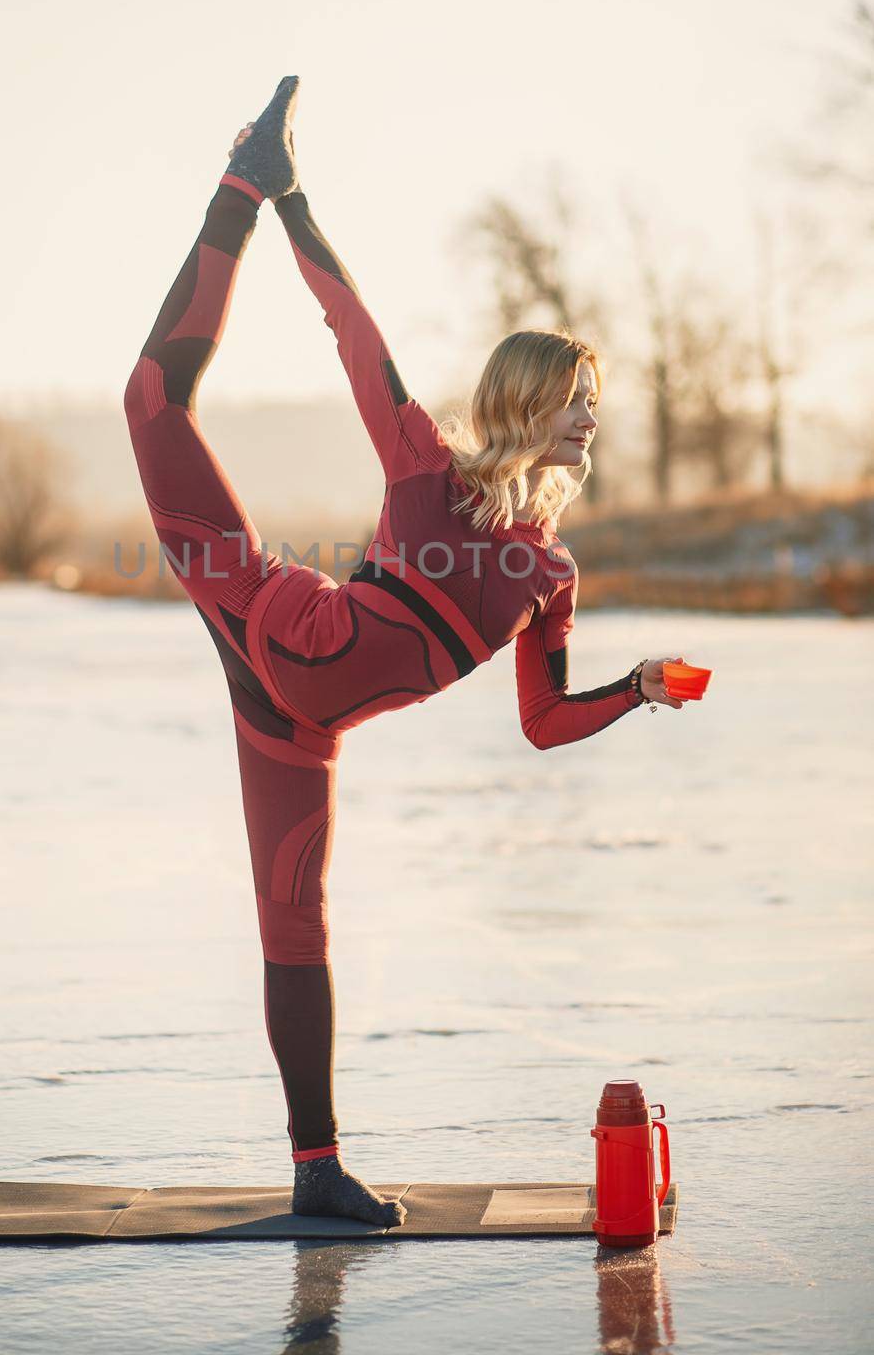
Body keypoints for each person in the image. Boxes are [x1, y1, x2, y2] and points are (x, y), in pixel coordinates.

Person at [123, 76, 688, 1228]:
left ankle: (315, 1167)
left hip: (295, 720)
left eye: (595, 399)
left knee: (294, 920)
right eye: (578, 395)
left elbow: (540, 722)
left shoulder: (550, 577)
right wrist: (285, 203)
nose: (591, 417)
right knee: (150, 401)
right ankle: (237, 176)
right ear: (529, 398)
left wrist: (629, 691)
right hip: (272, 615)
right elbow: (351, 327)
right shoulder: (423, 464)